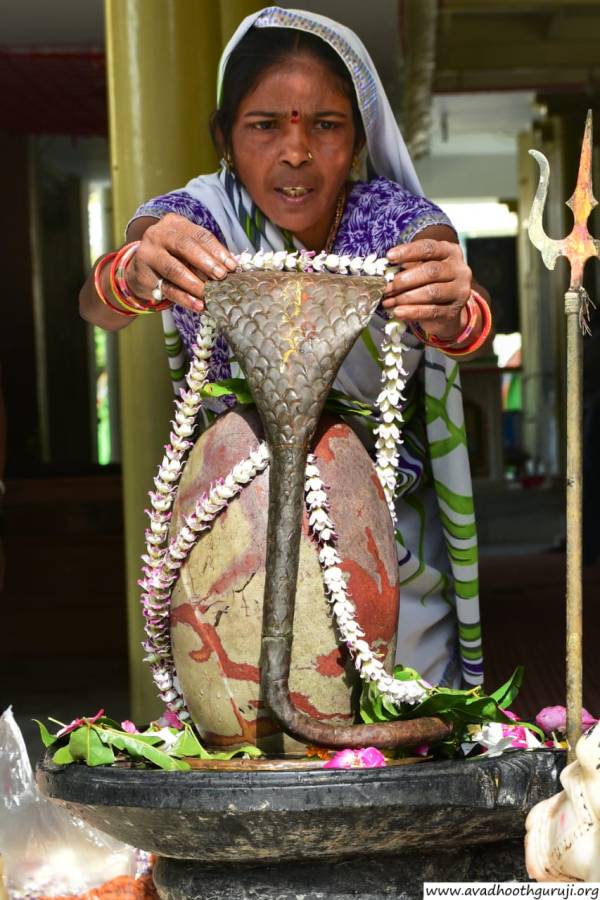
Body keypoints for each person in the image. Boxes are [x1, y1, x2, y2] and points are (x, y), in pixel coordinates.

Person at [80, 7, 490, 689]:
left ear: (357, 140)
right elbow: (100, 304)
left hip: (379, 532)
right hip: (234, 532)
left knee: (403, 721)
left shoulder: (389, 220)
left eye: (325, 126)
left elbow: (460, 310)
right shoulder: (204, 217)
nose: (295, 152)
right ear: (224, 138)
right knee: (240, 718)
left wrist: (453, 304)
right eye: (264, 126)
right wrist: (134, 270)